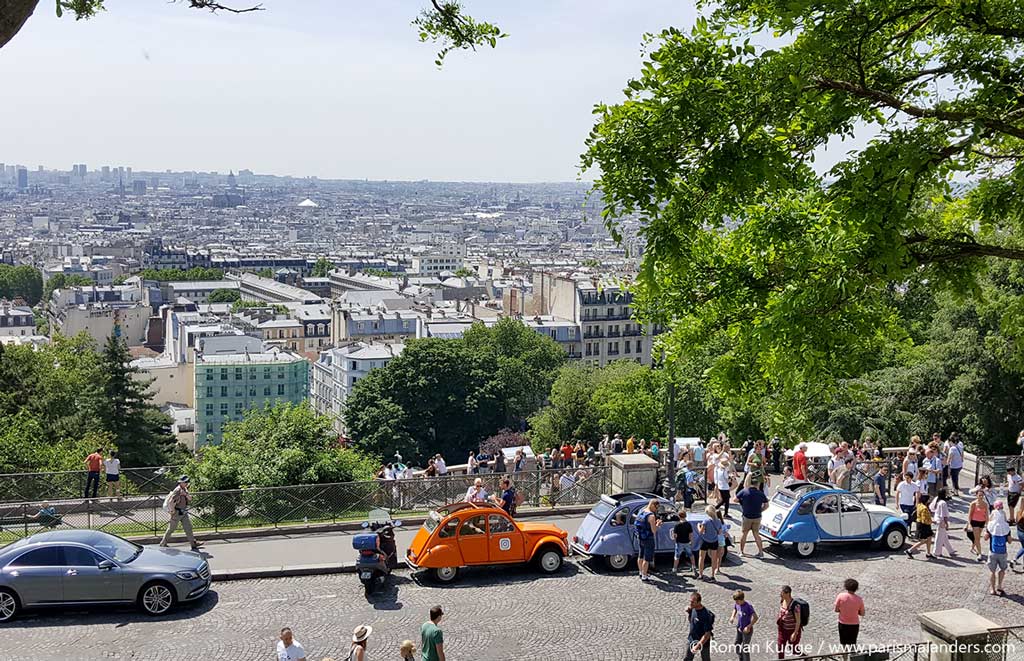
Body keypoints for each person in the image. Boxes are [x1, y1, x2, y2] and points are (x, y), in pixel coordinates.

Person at [160, 475, 202, 551]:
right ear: (181, 482)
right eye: (185, 482)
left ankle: (193, 544)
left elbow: (190, 498)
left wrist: (185, 494)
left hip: (183, 512)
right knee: (171, 529)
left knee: (188, 528)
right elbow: (171, 502)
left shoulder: (184, 489)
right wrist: (172, 511)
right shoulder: (177, 490)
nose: (187, 483)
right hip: (176, 512)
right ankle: (163, 543)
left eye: (187, 481)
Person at [735, 482, 769, 557]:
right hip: (757, 517)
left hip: (747, 516)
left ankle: (741, 551)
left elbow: (735, 500)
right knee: (756, 534)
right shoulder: (760, 493)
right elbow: (766, 505)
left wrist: (743, 503)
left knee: (744, 534)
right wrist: (761, 510)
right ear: (757, 484)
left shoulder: (744, 491)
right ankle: (761, 552)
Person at [986, 502, 1011, 596]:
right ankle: (999, 585)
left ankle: (992, 589)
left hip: (992, 551)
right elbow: (1009, 541)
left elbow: (985, 537)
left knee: (992, 571)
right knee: (1002, 569)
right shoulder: (1006, 527)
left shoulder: (990, 527)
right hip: (1003, 552)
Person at [834, 578, 864, 648]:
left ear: (846, 587)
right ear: (856, 588)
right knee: (853, 642)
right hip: (854, 624)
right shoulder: (859, 599)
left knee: (843, 642)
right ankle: (853, 657)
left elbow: (836, 610)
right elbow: (862, 613)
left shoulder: (840, 596)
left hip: (843, 623)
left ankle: (845, 657)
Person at [684, 592, 715, 661]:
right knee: (687, 658)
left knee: (705, 659)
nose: (690, 604)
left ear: (699, 602)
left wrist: (698, 646)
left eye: (693, 602)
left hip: (703, 642)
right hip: (692, 639)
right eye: (690, 602)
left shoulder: (706, 615)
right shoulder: (692, 609)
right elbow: (691, 621)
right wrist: (689, 612)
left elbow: (707, 634)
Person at [635, 498, 660, 581]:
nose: (656, 510)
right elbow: (654, 530)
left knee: (640, 555)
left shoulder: (642, 511)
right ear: (652, 505)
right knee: (647, 558)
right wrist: (658, 524)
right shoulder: (651, 516)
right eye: (656, 508)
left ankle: (641, 572)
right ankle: (644, 576)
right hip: (648, 538)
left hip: (640, 537)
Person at [730, 591, 758, 661]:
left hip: (747, 631)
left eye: (737, 601)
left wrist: (749, 626)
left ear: (741, 599)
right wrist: (732, 616)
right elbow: (735, 608)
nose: (736, 603)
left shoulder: (748, 606)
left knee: (744, 648)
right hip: (739, 628)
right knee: (737, 644)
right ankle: (741, 658)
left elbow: (755, 617)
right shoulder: (737, 604)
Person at [905, 493, 935, 559]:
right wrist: (932, 521)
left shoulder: (919, 505)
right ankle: (910, 550)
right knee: (923, 540)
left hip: (919, 523)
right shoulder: (924, 508)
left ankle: (928, 553)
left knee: (929, 538)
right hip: (924, 525)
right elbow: (924, 520)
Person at [777, 586, 803, 660]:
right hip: (782, 629)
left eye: (782, 593)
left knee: (794, 650)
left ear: (788, 593)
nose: (780, 594)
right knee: (780, 648)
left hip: (792, 631)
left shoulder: (795, 606)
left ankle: (806, 657)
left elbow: (798, 621)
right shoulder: (782, 600)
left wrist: (795, 633)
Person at [697, 504, 722, 580]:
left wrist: (698, 526)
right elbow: (720, 532)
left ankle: (700, 574)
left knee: (702, 558)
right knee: (713, 558)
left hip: (705, 540)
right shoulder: (718, 521)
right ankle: (712, 575)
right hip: (714, 541)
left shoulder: (706, 521)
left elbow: (701, 532)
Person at [930, 488, 956, 558]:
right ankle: (937, 552)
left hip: (937, 519)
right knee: (939, 537)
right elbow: (944, 515)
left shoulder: (936, 499)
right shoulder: (943, 503)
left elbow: (931, 508)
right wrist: (946, 523)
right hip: (941, 521)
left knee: (944, 536)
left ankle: (950, 550)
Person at [672, 504, 695, 575]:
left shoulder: (677, 525)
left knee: (677, 556)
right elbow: (690, 534)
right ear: (685, 516)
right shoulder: (688, 524)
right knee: (691, 554)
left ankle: (675, 568)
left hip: (679, 542)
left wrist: (675, 541)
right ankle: (694, 566)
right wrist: (691, 541)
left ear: (679, 516)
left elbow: (675, 535)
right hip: (687, 542)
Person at [967, 488, 989, 558]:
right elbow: (969, 515)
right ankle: (979, 553)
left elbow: (986, 515)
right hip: (974, 522)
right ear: (976, 495)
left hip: (982, 522)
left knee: (978, 537)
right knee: (977, 538)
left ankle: (972, 548)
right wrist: (969, 524)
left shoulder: (985, 504)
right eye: (979, 495)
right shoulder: (973, 504)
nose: (981, 497)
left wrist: (987, 524)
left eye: (982, 495)